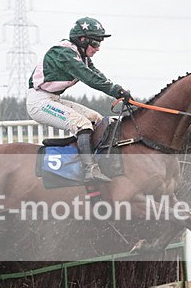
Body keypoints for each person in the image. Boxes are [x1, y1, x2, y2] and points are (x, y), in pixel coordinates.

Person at [27, 17, 132, 183]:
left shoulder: (80, 56)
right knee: (82, 124)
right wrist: (115, 90)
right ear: (82, 40)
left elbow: (97, 75)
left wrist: (120, 92)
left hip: (52, 98)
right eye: (96, 43)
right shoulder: (64, 53)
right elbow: (89, 78)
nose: (98, 49)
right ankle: (89, 169)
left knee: (97, 119)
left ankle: (100, 161)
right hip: (38, 103)